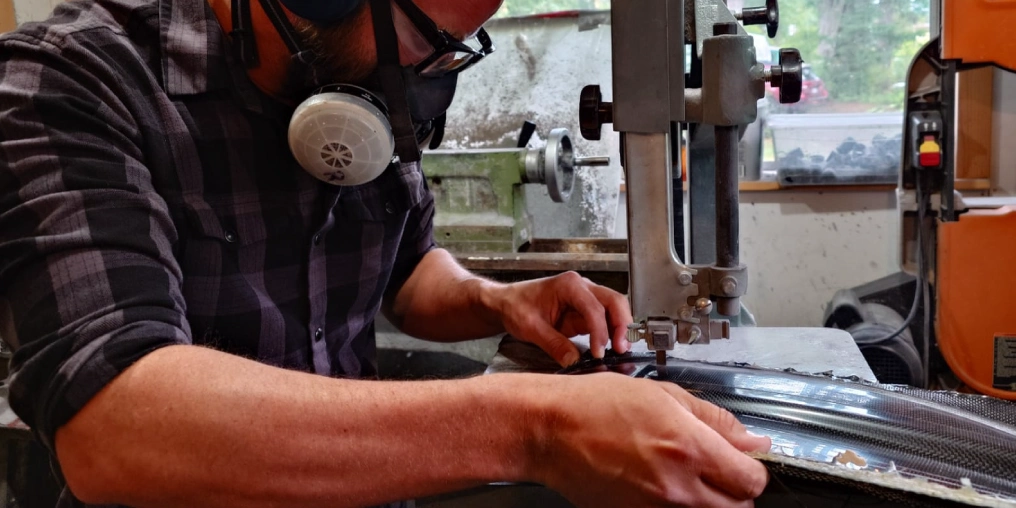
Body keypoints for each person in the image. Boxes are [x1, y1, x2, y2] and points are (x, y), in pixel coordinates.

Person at [0, 0, 771, 506]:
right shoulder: (69, 79)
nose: (434, 83)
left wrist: (495, 301)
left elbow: (407, 273)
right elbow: (115, 421)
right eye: (432, 47)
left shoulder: (364, 92)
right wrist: (536, 427)